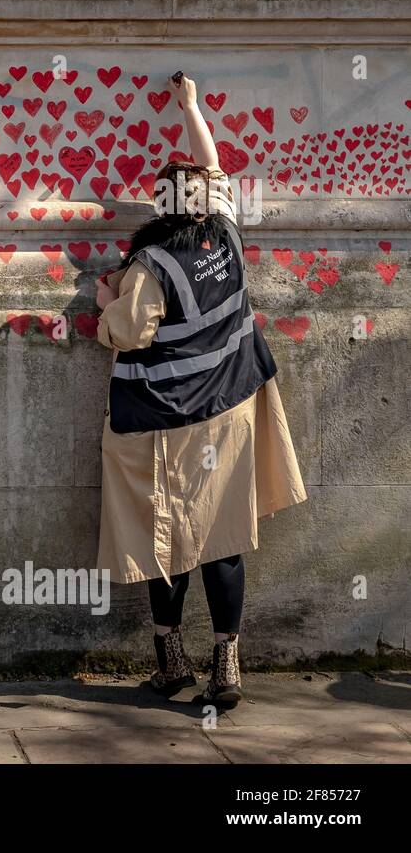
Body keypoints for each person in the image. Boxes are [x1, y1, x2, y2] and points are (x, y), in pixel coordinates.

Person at [94, 73, 307, 706]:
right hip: (233, 409)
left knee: (170, 541)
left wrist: (107, 302)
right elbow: (211, 167)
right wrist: (192, 108)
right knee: (226, 539)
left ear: (161, 207)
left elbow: (130, 334)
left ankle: (170, 662)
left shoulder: (152, 267)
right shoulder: (226, 229)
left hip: (171, 422)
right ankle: (227, 667)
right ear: (204, 199)